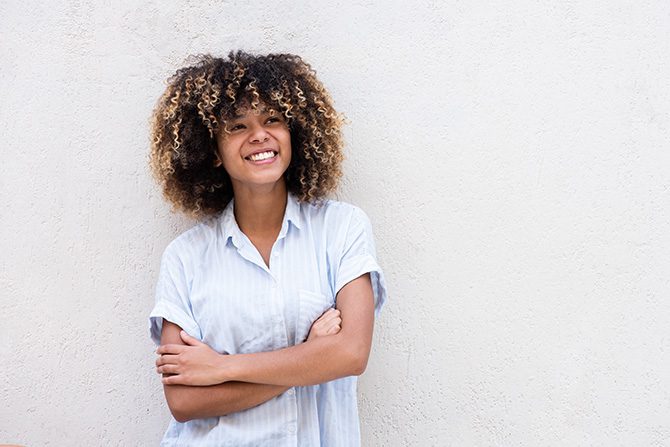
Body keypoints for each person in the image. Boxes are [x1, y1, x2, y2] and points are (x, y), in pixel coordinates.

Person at [147, 51, 387, 446]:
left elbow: (351, 354)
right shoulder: (184, 257)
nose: (259, 135)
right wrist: (309, 356)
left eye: (272, 119)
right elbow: (185, 400)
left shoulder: (341, 228)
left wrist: (222, 368)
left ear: (294, 132)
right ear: (213, 153)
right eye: (238, 126)